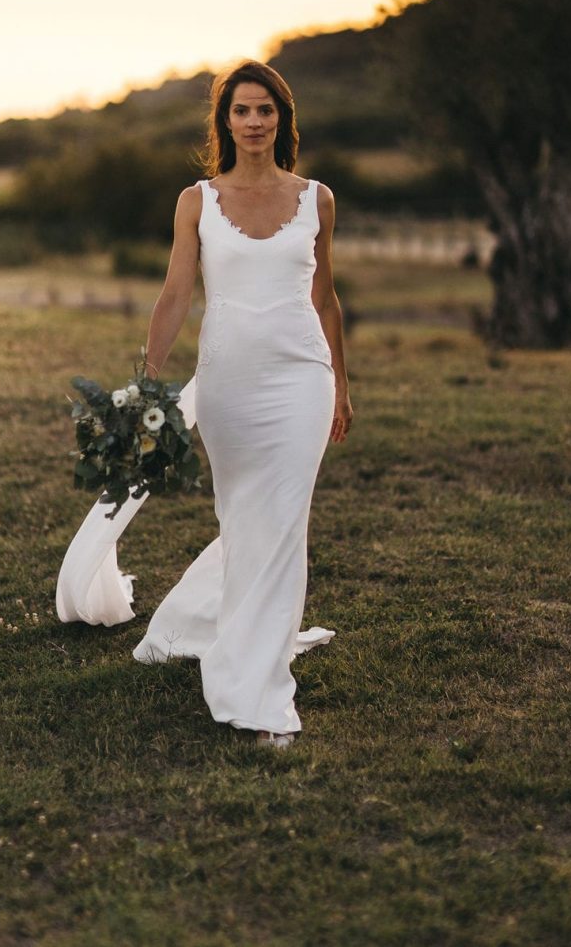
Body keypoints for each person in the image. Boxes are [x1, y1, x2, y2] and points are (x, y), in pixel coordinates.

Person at [131, 59, 353, 748]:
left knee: (285, 520)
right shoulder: (196, 200)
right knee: (245, 516)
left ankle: (258, 690)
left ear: (281, 119)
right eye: (242, 110)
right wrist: (150, 376)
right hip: (227, 382)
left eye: (266, 110)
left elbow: (325, 298)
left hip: (302, 379)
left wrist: (341, 383)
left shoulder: (318, 198)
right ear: (225, 121)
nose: (255, 121)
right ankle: (219, 621)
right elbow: (175, 294)